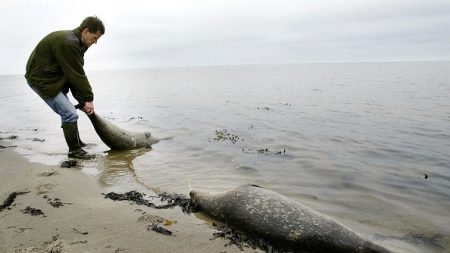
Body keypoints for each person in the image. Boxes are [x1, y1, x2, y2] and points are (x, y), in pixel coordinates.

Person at [25, 16, 105, 159]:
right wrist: (88, 99)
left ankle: (77, 143)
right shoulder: (69, 43)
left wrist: (81, 100)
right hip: (42, 80)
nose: (95, 42)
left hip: (53, 78)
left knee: (69, 110)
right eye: (94, 38)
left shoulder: (77, 44)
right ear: (86, 31)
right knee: (69, 113)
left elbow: (71, 74)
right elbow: (76, 74)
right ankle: (74, 151)